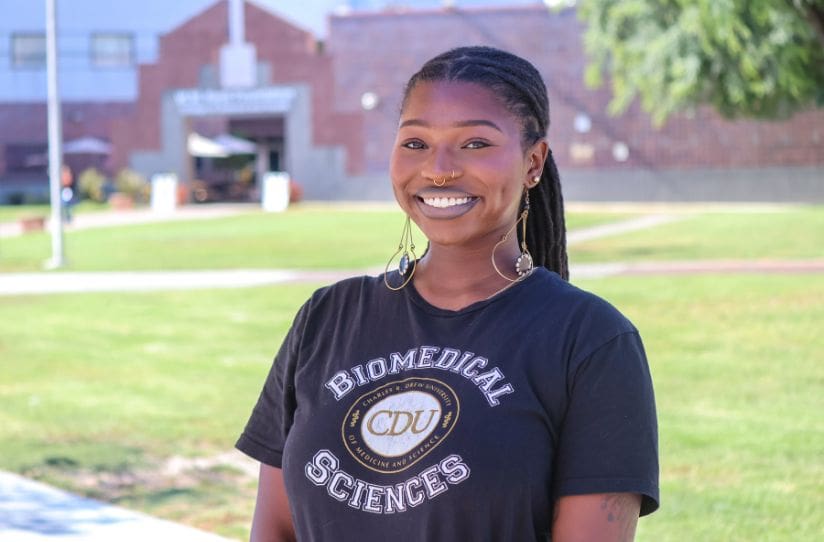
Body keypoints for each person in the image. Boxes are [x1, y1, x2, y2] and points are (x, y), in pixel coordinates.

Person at [236, 46, 659, 542]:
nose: (438, 169)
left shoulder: (590, 340)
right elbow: (275, 526)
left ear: (533, 162)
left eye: (475, 143)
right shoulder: (325, 319)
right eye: (415, 143)